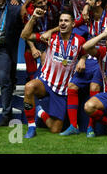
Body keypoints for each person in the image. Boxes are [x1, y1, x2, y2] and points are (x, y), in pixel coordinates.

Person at [60, 0, 107, 138]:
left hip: (105, 58)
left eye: (89, 0)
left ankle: (91, 127)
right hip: (90, 56)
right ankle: (73, 125)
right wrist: (83, 58)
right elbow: (73, 24)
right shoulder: (88, 16)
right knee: (72, 87)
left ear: (98, 3)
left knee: (94, 86)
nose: (86, 2)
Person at [21, 9, 87, 138]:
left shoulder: (80, 41)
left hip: (63, 89)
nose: (63, 23)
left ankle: (41, 113)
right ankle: (31, 127)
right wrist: (34, 18)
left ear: (73, 24)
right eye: (61, 21)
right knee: (29, 87)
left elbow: (86, 53)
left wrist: (83, 60)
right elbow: (25, 35)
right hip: (46, 81)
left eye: (66, 21)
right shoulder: (50, 38)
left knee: (55, 129)